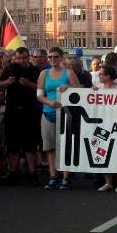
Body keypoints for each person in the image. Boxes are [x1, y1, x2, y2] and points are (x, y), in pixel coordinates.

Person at [0, 47, 42, 186]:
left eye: (24, 58)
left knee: (30, 144)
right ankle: (13, 173)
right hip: (12, 111)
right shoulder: (9, 69)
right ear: (14, 58)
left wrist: (29, 84)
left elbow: (41, 88)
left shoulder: (35, 70)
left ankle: (32, 173)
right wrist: (7, 83)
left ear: (29, 58)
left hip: (29, 111)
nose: (21, 61)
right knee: (12, 144)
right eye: (18, 58)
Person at [38, 47, 81, 190]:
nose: (52, 59)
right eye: (50, 57)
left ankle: (66, 177)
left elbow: (80, 91)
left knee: (65, 146)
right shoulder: (44, 73)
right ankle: (53, 176)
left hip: (65, 113)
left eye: (55, 56)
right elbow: (39, 95)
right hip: (48, 112)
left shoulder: (68, 73)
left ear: (61, 58)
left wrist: (68, 86)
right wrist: (50, 103)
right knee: (50, 147)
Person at [94, 64, 117, 193]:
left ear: (107, 76)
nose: (99, 76)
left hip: (116, 126)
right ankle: (108, 182)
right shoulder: (98, 88)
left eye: (101, 74)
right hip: (102, 125)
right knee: (102, 152)